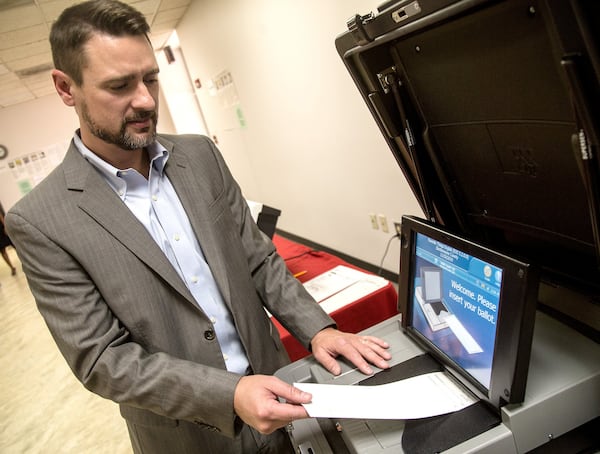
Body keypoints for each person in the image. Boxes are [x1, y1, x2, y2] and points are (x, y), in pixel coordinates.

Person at [5, 1, 391, 453]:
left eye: (150, 78)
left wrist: (317, 329)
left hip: (283, 391)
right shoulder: (40, 220)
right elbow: (101, 359)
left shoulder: (199, 156)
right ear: (65, 88)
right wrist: (227, 395)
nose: (146, 100)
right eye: (119, 85)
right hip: (188, 436)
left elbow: (257, 257)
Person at [0, 202, 17, 276]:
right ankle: (12, 268)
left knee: (14, 245)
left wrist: (4, 225)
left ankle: (13, 267)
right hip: (2, 227)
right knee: (2, 250)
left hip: (2, 228)